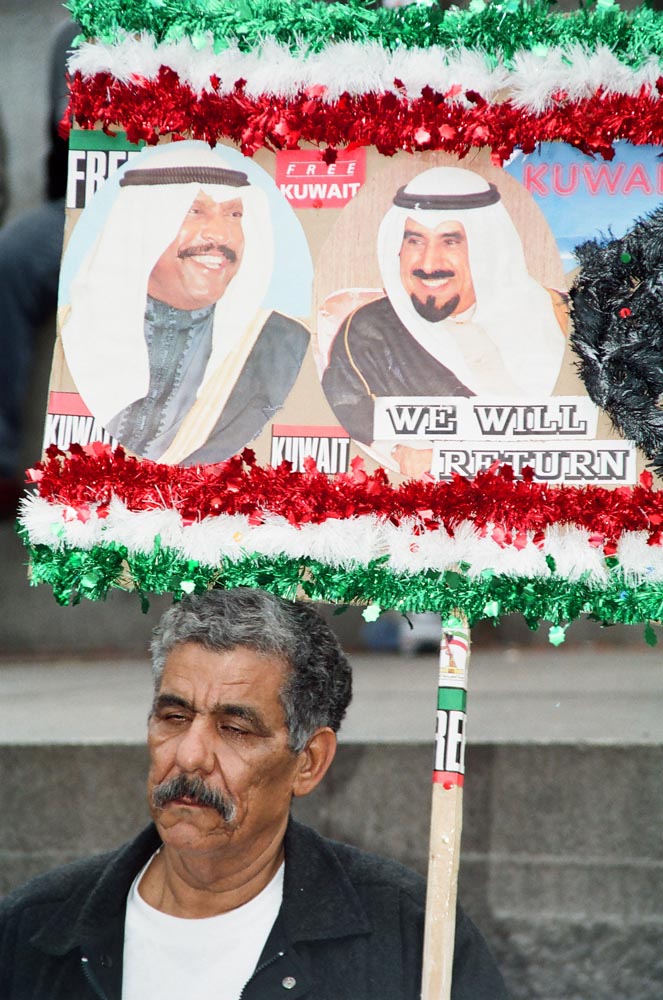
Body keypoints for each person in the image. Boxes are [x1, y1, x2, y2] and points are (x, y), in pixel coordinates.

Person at [0, 588, 509, 1000]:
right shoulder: (34, 930)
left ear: (308, 762)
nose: (190, 755)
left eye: (235, 729)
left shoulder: (410, 937)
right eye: (174, 717)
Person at [60, 144, 310, 466]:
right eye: (195, 211)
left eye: (234, 215)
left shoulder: (280, 346)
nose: (221, 234)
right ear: (139, 227)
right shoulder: (72, 331)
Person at [321, 166, 568, 476]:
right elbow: (348, 410)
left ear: (487, 251)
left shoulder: (555, 316)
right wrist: (398, 448)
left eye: (450, 242)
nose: (428, 264)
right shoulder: (370, 331)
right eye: (415, 241)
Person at [0, 20, 77, 517]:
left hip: (198, 193)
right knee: (11, 256)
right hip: (84, 207)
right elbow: (72, 131)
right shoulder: (78, 34)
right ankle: (1, 460)